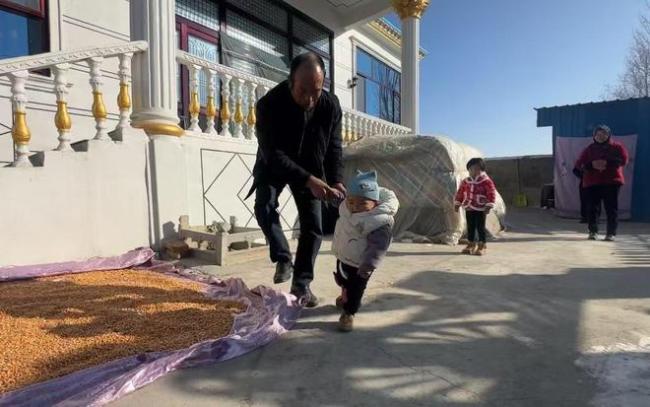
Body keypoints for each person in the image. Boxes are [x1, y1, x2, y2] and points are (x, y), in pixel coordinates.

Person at [248, 52, 345, 307]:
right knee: (264, 205)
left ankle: (302, 284)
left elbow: (334, 147)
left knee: (313, 225)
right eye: (303, 91)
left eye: (317, 91)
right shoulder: (268, 105)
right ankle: (282, 257)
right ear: (290, 82)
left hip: (311, 164)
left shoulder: (330, 105)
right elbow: (272, 153)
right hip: (275, 163)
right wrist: (308, 179)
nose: (310, 100)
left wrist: (336, 181)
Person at [332, 171, 399, 332]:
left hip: (361, 264)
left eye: (362, 203)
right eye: (352, 202)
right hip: (343, 256)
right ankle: (345, 296)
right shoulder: (347, 209)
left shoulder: (379, 221)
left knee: (356, 287)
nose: (355, 207)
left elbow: (378, 246)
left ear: (375, 202)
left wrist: (368, 265)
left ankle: (349, 313)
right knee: (342, 279)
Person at [575, 125, 629, 241]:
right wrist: (590, 165)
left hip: (611, 182)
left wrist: (607, 163)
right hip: (593, 182)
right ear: (594, 136)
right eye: (598, 134)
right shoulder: (589, 149)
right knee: (592, 208)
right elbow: (579, 164)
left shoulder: (617, 147)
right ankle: (593, 231)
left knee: (611, 208)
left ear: (608, 135)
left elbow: (623, 160)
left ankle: (611, 233)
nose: (601, 136)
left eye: (604, 134)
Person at [454, 158, 497, 256]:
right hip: (469, 207)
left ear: (482, 170)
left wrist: (489, 205)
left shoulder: (486, 181)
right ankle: (471, 244)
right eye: (471, 169)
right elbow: (460, 193)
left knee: (480, 227)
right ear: (468, 170)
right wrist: (457, 203)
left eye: (477, 169)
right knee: (470, 227)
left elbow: (491, 193)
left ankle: (482, 245)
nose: (473, 171)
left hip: (481, 208)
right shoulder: (466, 181)